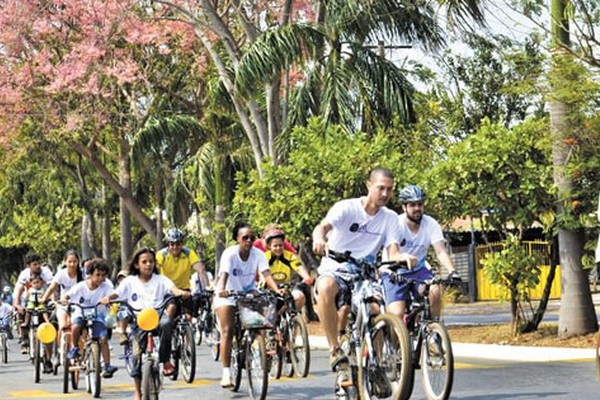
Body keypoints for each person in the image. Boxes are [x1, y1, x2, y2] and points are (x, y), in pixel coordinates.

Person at [312, 168, 415, 381]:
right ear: (369, 185)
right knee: (325, 287)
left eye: (390, 190)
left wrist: (404, 257)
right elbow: (321, 228)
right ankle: (334, 349)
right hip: (336, 266)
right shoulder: (346, 208)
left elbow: (393, 251)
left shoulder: (391, 218)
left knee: (377, 311)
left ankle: (375, 365)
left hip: (365, 273)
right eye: (381, 188)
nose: (385, 194)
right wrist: (319, 239)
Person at [101, 247, 190, 400]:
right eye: (144, 262)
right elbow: (117, 293)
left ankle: (166, 360)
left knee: (167, 323)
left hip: (157, 319)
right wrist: (108, 297)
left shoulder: (161, 279)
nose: (148, 265)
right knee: (136, 356)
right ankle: (137, 391)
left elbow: (173, 289)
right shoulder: (129, 281)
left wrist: (180, 292)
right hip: (139, 322)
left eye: (151, 262)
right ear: (137, 265)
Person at [214, 222, 284, 388]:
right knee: (227, 331)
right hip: (228, 293)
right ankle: (226, 372)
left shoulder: (258, 254)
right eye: (245, 237)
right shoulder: (229, 254)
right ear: (237, 239)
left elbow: (266, 275)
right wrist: (222, 289)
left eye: (252, 238)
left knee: (260, 322)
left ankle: (258, 347)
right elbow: (224, 274)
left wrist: (277, 290)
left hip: (248, 292)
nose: (249, 240)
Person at [381, 184, 461, 320]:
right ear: (404, 207)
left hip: (419, 270)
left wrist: (452, 271)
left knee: (435, 290)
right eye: (412, 205)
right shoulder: (396, 224)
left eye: (420, 204)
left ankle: (432, 329)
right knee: (397, 314)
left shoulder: (431, 224)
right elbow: (392, 252)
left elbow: (441, 251)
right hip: (394, 272)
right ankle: (398, 339)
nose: (417, 208)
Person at [63, 258, 118, 378]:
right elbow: (68, 295)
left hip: (97, 315)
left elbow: (114, 293)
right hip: (81, 313)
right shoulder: (81, 286)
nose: (100, 278)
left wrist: (109, 298)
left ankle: (107, 365)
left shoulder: (105, 287)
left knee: (103, 338)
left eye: (103, 275)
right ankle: (75, 348)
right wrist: (64, 299)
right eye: (97, 274)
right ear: (90, 274)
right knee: (76, 326)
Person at [157, 228, 209, 315]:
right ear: (168, 244)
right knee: (171, 309)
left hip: (184, 290)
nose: (175, 247)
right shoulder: (162, 254)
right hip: (167, 291)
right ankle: (168, 328)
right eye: (172, 244)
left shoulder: (188, 253)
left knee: (190, 316)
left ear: (182, 243)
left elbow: (200, 269)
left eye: (178, 244)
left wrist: (208, 288)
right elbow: (155, 269)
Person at [263, 228, 314, 311]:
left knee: (299, 296)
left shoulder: (289, 256)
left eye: (280, 245)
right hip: (269, 291)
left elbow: (298, 267)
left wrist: (307, 277)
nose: (278, 248)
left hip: (287, 289)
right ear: (269, 246)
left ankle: (290, 318)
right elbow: (264, 274)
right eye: (275, 246)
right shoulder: (264, 257)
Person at [41, 250, 85, 335]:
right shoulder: (61, 274)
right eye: (70, 262)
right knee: (62, 324)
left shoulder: (83, 274)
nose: (72, 264)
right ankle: (61, 345)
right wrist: (44, 298)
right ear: (65, 262)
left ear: (78, 262)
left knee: (79, 327)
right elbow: (52, 287)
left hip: (79, 306)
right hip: (63, 305)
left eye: (75, 261)